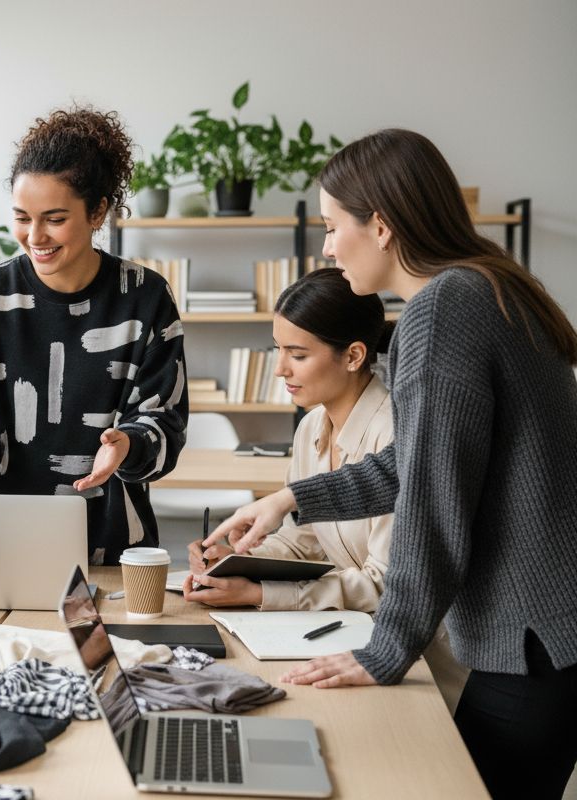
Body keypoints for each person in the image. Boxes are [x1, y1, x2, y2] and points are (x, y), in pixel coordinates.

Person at [204, 129, 577, 798]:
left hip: (530, 642)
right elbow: (418, 461)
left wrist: (386, 650)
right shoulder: (487, 286)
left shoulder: (444, 309)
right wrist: (290, 499)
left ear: (380, 225)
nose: (324, 245)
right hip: (551, 632)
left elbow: (433, 502)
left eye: (331, 225)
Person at [182, 268, 467, 711]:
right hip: (350, 637)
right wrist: (243, 561)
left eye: (297, 354)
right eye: (278, 350)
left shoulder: (400, 432)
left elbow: (386, 583)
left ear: (353, 356)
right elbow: (311, 538)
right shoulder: (313, 424)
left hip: (419, 662)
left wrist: (260, 594)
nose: (279, 369)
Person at [0, 107, 187, 564]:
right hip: (1, 548)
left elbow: (164, 421)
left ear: (97, 212)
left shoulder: (145, 298)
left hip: (115, 552)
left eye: (54, 218)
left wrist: (127, 443)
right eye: (22, 217)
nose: (35, 236)